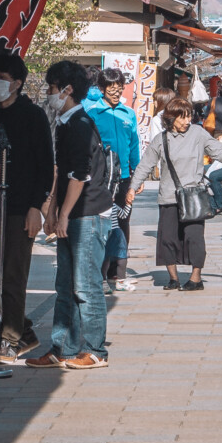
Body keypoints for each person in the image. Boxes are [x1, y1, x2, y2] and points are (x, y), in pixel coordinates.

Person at [27, 61, 115, 370]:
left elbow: (80, 175)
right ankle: (62, 347)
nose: (49, 94)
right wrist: (52, 210)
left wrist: (62, 214)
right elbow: (60, 173)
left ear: (67, 90)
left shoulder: (79, 124)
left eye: (52, 88)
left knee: (86, 285)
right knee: (65, 285)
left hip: (88, 214)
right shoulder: (65, 123)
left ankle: (94, 350)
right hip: (73, 213)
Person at [126, 97, 222, 291]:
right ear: (171, 118)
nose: (187, 121)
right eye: (183, 118)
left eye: (189, 116)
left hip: (193, 196)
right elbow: (145, 164)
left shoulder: (197, 133)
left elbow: (217, 151)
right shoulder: (161, 139)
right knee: (167, 238)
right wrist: (132, 187)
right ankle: (173, 278)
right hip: (169, 197)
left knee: (194, 237)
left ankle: (196, 279)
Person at [0, 50, 51, 361]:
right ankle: (22, 330)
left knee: (13, 273)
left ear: (18, 84)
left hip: (21, 207)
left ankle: (9, 339)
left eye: (3, 79)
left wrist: (36, 207)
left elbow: (45, 167)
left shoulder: (33, 116)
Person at [85, 67, 142, 292]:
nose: (116, 90)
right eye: (111, 86)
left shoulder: (129, 114)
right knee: (102, 225)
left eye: (119, 86)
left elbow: (134, 145)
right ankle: (99, 275)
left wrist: (138, 175)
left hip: (125, 178)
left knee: (123, 224)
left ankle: (117, 275)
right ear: (102, 88)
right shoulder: (92, 113)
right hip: (101, 179)